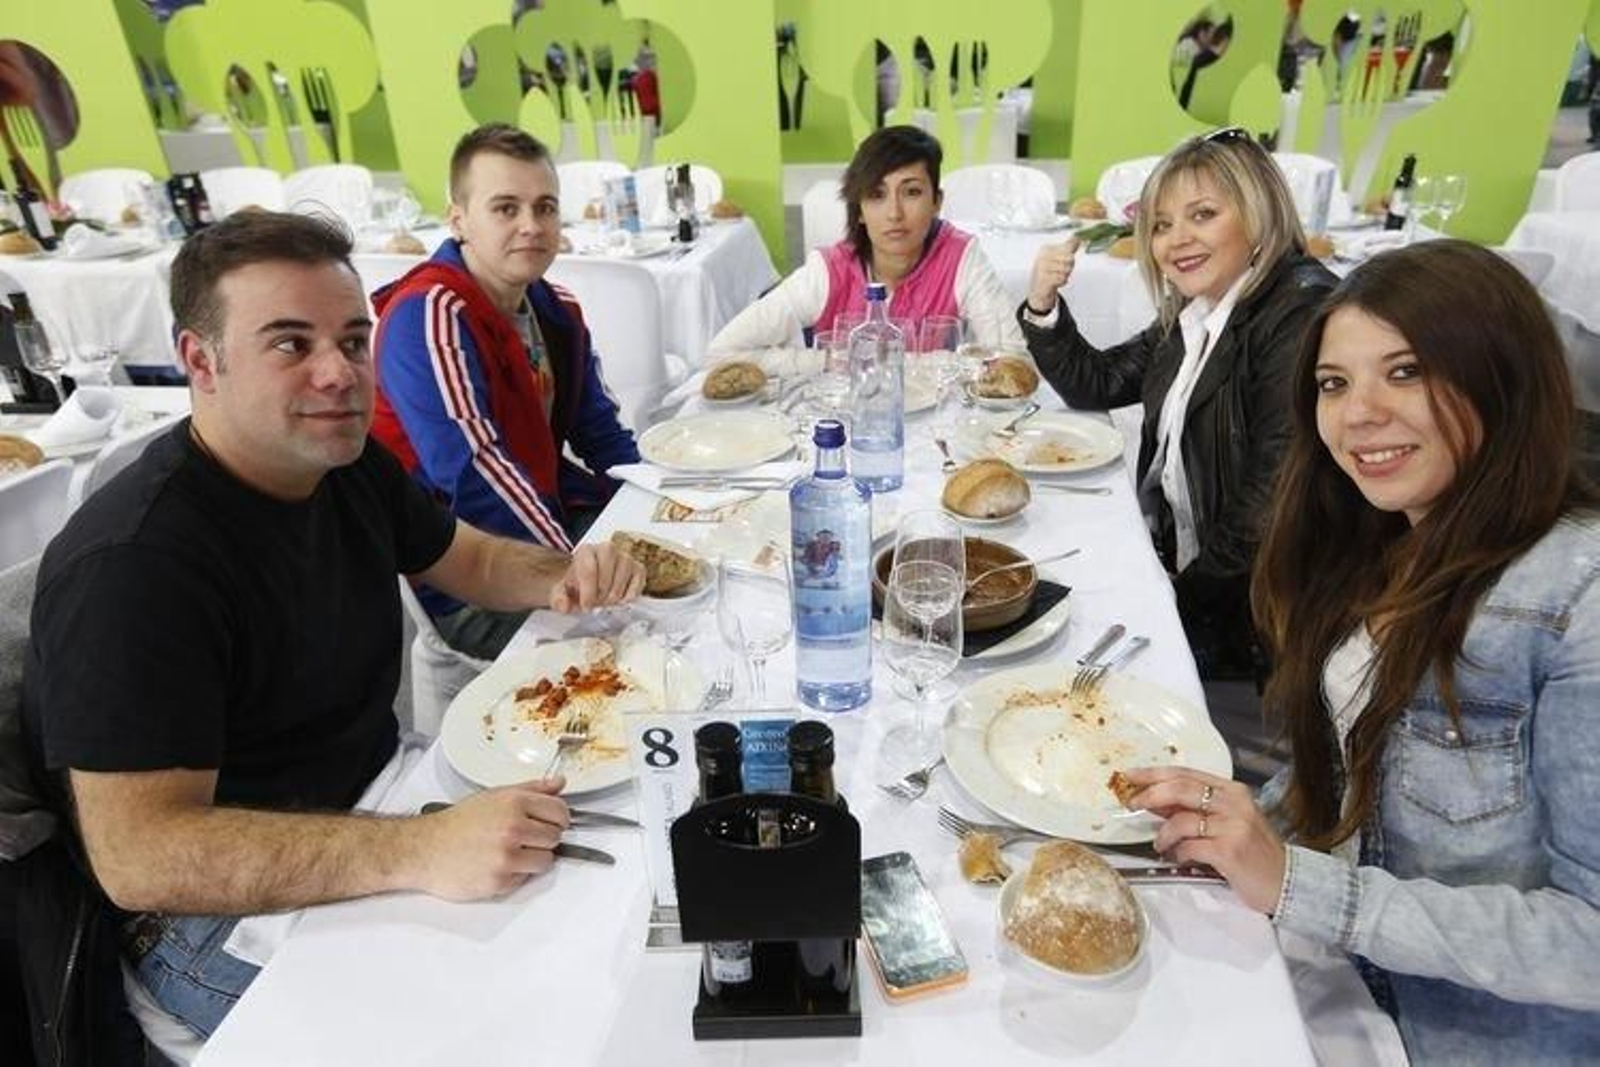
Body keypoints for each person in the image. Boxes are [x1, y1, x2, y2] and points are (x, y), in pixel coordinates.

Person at [19, 210, 646, 1042]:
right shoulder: (137, 565)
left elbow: (472, 561)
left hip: (374, 803)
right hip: (201, 918)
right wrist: (419, 852)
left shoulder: (341, 463)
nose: (340, 374)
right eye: (291, 344)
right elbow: (143, 857)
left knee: (614, 922)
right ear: (200, 361)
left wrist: (567, 571)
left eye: (354, 341)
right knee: (501, 1027)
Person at [1125, 240, 1600, 1062]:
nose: (1358, 414)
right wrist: (1220, 822)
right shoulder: (1382, 540)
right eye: (1334, 383)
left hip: (1440, 1034)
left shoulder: (1575, 602)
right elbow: (1349, 772)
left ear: (1504, 375)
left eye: (1406, 371)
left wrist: (1300, 887)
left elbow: (1588, 940)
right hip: (1340, 971)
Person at [1019, 128, 1335, 677]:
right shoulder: (1201, 310)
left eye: (1203, 214)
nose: (1175, 240)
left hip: (1249, 621)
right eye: (1161, 224)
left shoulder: (1298, 316)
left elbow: (1265, 512)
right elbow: (1096, 382)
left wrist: (1168, 605)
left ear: (1259, 212)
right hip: (1182, 573)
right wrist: (1043, 305)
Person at [372, 123, 640, 660]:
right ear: (458, 219)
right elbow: (476, 477)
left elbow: (601, 434)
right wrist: (574, 564)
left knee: (691, 584)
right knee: (639, 648)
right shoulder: (429, 316)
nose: (531, 226)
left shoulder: (554, 306)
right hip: (470, 578)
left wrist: (654, 511)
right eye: (505, 208)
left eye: (545, 207)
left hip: (549, 519)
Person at [709, 124, 1023, 354]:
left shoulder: (961, 256)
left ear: (936, 201)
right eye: (876, 195)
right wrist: (824, 363)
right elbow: (723, 349)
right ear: (858, 209)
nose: (894, 213)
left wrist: (940, 367)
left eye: (912, 192)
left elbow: (1012, 357)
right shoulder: (829, 271)